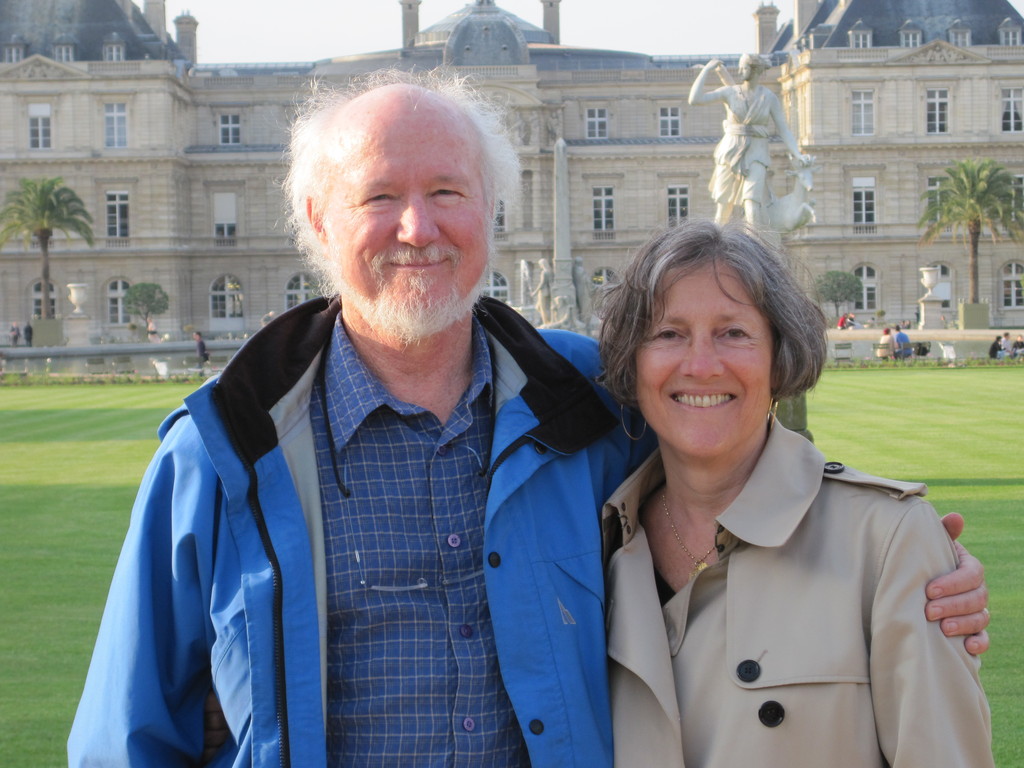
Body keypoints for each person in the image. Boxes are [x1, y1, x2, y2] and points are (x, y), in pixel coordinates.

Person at [68, 72, 989, 768]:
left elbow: (734, 459)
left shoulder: (594, 405)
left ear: (492, 209)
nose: (417, 228)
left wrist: (901, 568)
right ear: (317, 218)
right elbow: (123, 738)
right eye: (379, 196)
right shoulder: (221, 453)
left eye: (448, 191)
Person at [598, 220, 994, 767]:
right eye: (668, 334)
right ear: (631, 361)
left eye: (734, 333)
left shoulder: (885, 543)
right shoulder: (592, 544)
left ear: (780, 356)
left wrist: (919, 549)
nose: (701, 365)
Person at [688, 54, 812, 228]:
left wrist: (797, 154)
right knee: (723, 206)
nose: (740, 71)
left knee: (752, 201)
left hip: (757, 154)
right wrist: (707, 70)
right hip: (730, 152)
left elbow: (783, 129)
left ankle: (754, 241)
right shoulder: (730, 92)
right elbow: (694, 99)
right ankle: (716, 240)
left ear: (755, 70)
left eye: (744, 67)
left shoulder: (768, 97)